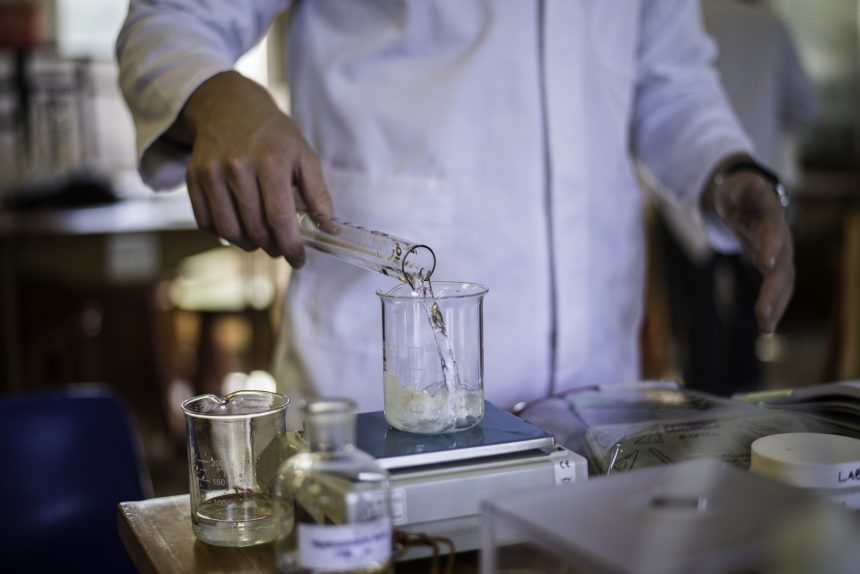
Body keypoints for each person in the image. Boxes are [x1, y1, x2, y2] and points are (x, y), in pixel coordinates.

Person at [116, 1, 794, 415]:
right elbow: (170, 17)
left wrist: (723, 166)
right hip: (377, 400)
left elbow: (670, 80)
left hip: (595, 399)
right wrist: (218, 96)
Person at [653, 0, 817, 395]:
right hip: (750, 190)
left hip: (681, 200)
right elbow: (806, 107)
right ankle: (746, 417)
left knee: (698, 317)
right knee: (752, 313)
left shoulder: (693, 14)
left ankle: (703, 415)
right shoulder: (769, 26)